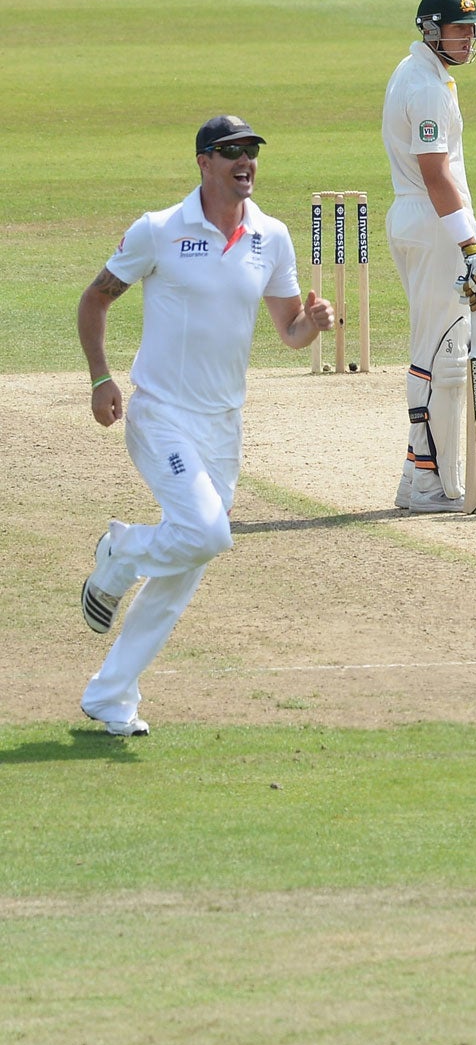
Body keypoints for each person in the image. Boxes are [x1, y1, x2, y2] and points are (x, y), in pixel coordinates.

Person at [75, 116, 335, 737]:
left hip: (223, 425)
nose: (245, 161)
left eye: (251, 153)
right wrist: (99, 378)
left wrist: (314, 324)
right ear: (203, 162)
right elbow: (95, 298)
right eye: (231, 152)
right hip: (161, 414)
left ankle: (111, 696)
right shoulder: (159, 230)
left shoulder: (270, 237)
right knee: (209, 534)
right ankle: (119, 551)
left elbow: (290, 333)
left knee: (182, 568)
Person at [382, 0, 476, 513]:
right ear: (433, 30)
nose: (470, 39)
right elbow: (435, 173)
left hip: (421, 221)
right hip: (432, 225)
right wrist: (470, 247)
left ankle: (416, 479)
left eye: (473, 30)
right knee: (441, 354)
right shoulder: (425, 86)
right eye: (460, 30)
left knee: (435, 347)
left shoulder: (422, 74)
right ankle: (433, 485)